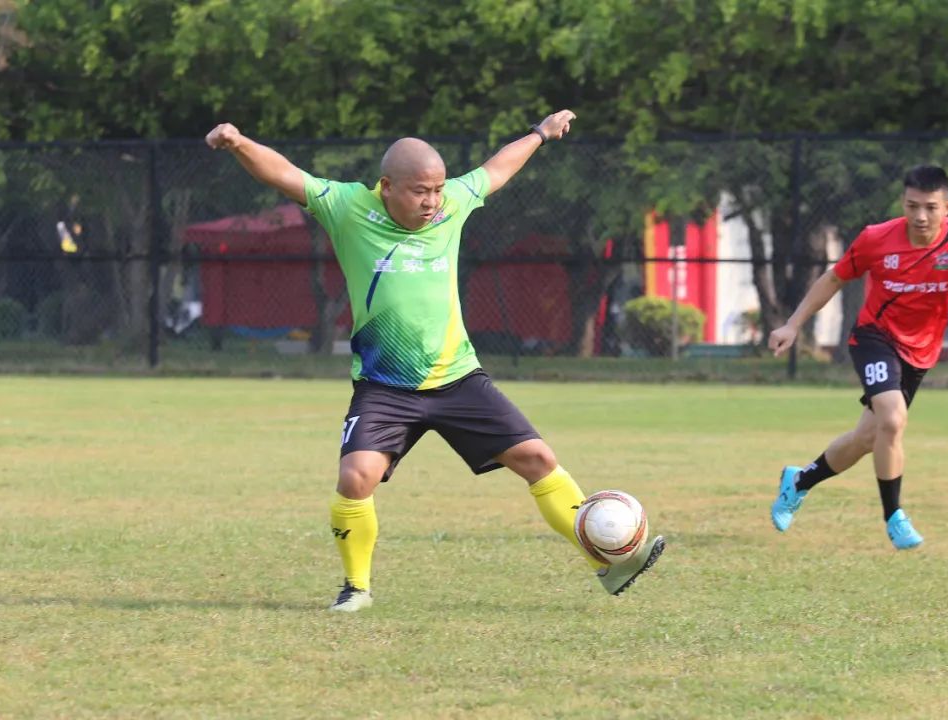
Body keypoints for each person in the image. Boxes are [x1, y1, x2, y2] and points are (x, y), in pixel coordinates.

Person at [205, 112, 664, 610]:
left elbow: (497, 169)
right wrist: (237, 143)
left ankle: (609, 563)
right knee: (355, 477)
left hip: (458, 378)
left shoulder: (452, 206)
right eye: (420, 190)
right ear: (386, 186)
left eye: (438, 189)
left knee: (539, 460)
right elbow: (285, 173)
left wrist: (539, 134)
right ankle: (356, 589)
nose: (432, 201)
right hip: (385, 386)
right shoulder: (347, 208)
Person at [767, 165, 948, 549]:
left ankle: (798, 481)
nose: (920, 216)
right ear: (903, 202)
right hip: (874, 338)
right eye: (912, 206)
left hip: (920, 353)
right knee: (893, 420)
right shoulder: (876, 239)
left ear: (947, 207)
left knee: (868, 437)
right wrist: (793, 325)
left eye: (930, 207)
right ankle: (894, 516)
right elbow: (833, 278)